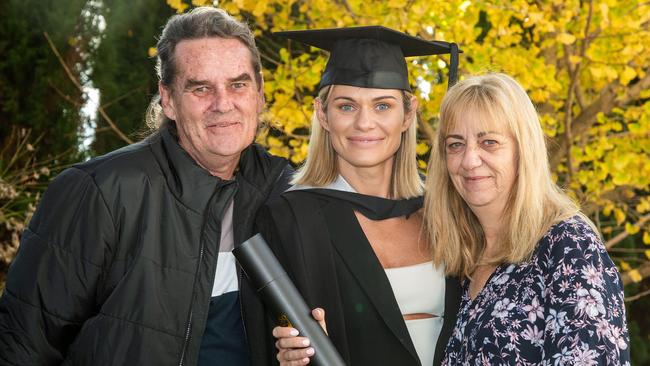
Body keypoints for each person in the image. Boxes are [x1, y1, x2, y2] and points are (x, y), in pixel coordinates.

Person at [0, 7, 291, 365]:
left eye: (238, 84)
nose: (223, 104)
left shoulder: (287, 191)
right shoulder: (100, 192)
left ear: (260, 93)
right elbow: (22, 347)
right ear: (168, 99)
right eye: (201, 88)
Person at [249, 26, 461, 366]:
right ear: (322, 113)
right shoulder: (290, 220)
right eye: (346, 106)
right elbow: (264, 344)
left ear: (408, 113)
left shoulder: (447, 208)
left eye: (382, 106)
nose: (364, 123)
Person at [424, 73, 630, 364]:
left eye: (489, 142)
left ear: (523, 149)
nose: (469, 160)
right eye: (455, 144)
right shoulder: (462, 260)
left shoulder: (568, 246)